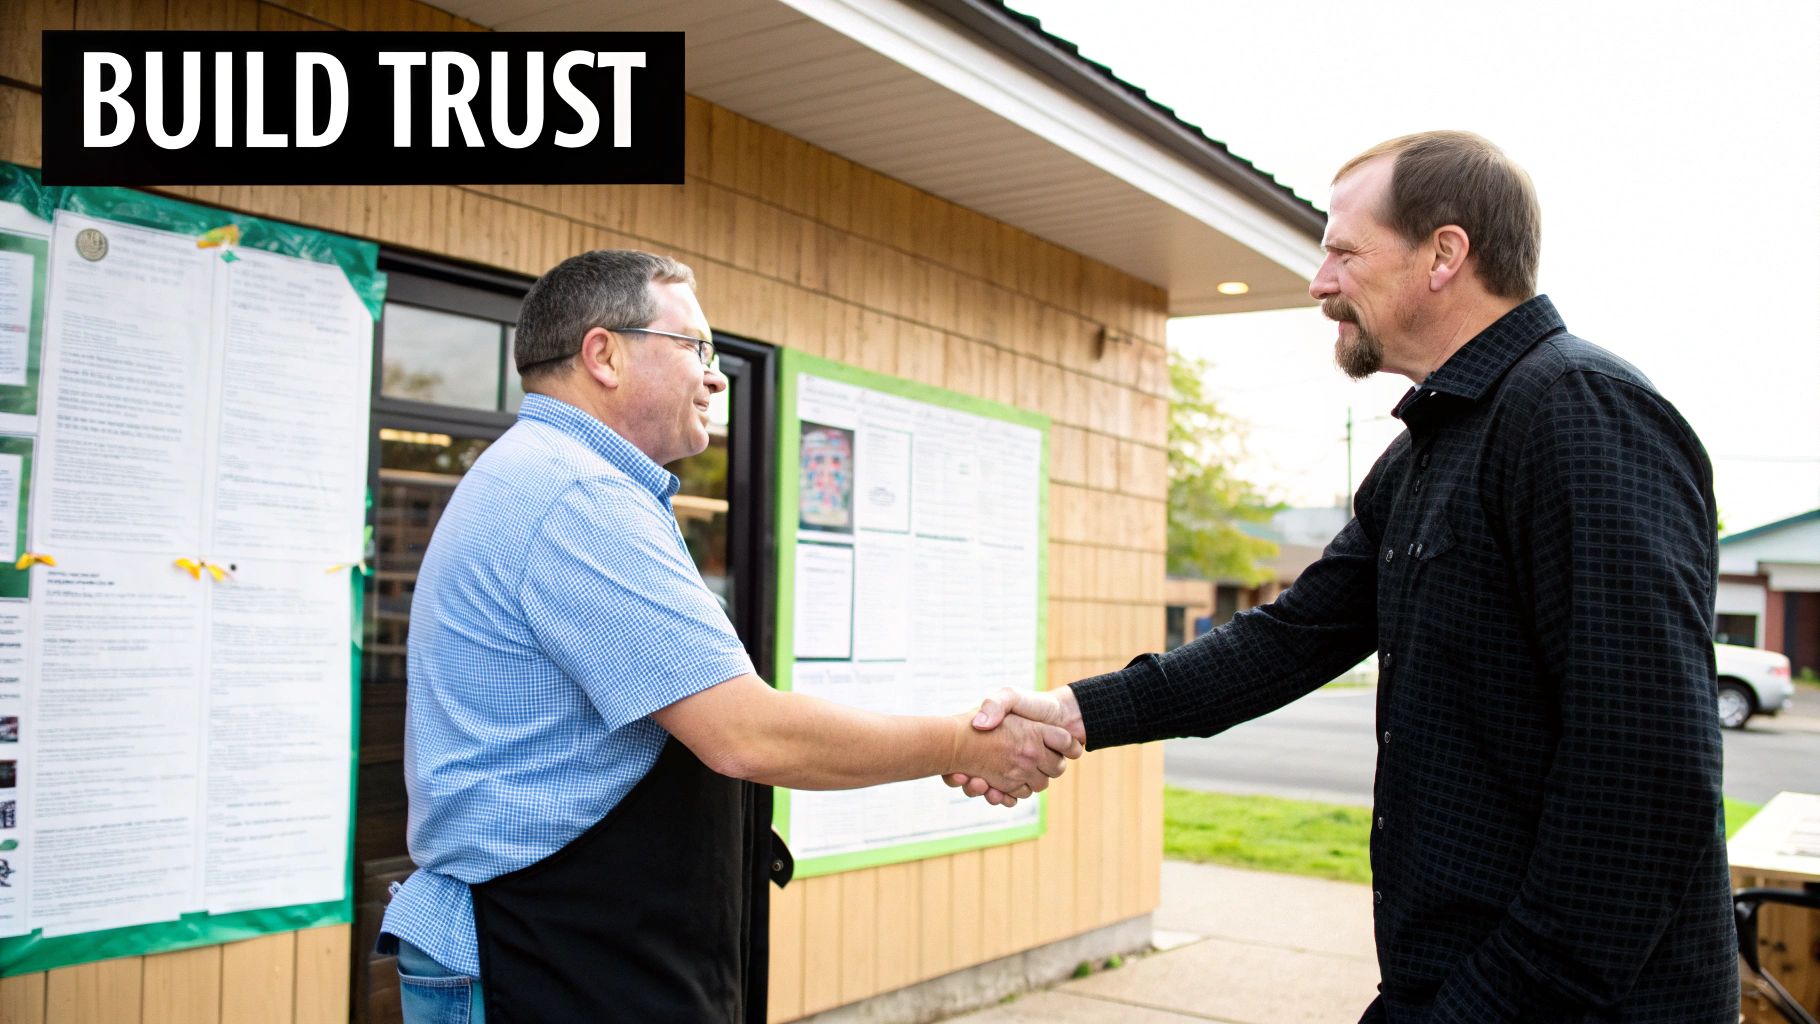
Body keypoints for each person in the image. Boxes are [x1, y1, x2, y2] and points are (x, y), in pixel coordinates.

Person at [959, 131, 1738, 1022]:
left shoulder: (1581, 412)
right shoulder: (1421, 459)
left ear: (1445, 253)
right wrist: (1080, 711)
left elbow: (1646, 774)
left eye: (1342, 250)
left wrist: (1493, 1002)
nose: (1320, 281)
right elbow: (1290, 639)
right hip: (1449, 986)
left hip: (1561, 1004)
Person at [377, 249, 1081, 1024]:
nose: (716, 377)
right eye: (696, 348)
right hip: (538, 957)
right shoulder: (576, 494)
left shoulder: (549, 476)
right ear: (603, 354)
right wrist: (964, 744)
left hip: (571, 947)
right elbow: (744, 734)